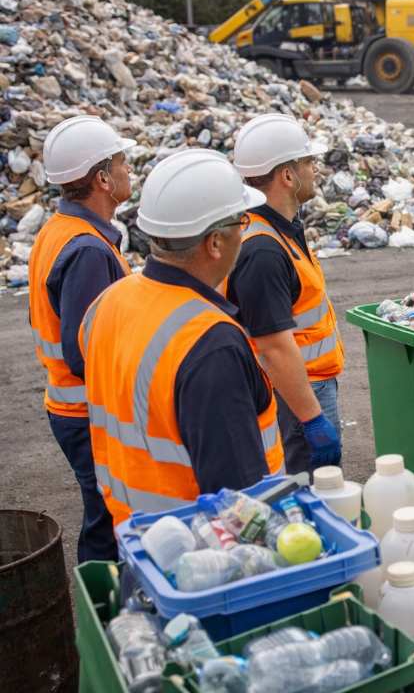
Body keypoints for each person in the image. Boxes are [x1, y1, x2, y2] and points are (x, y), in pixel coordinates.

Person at [79, 149, 284, 527]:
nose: (246, 230)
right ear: (215, 243)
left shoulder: (107, 303)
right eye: (242, 221)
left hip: (138, 539)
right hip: (205, 558)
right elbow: (242, 507)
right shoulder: (210, 344)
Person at [29, 116, 136, 562]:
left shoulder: (61, 231)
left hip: (73, 406)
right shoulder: (88, 250)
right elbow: (85, 352)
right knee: (111, 522)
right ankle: (106, 614)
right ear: (102, 179)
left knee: (104, 516)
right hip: (88, 410)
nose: (130, 169)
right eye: (122, 162)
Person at [224, 113, 344, 476]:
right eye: (309, 162)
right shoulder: (262, 250)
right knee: (308, 499)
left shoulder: (277, 230)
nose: (316, 169)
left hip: (305, 386)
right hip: (297, 394)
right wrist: (312, 419)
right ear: (287, 176)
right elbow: (273, 347)